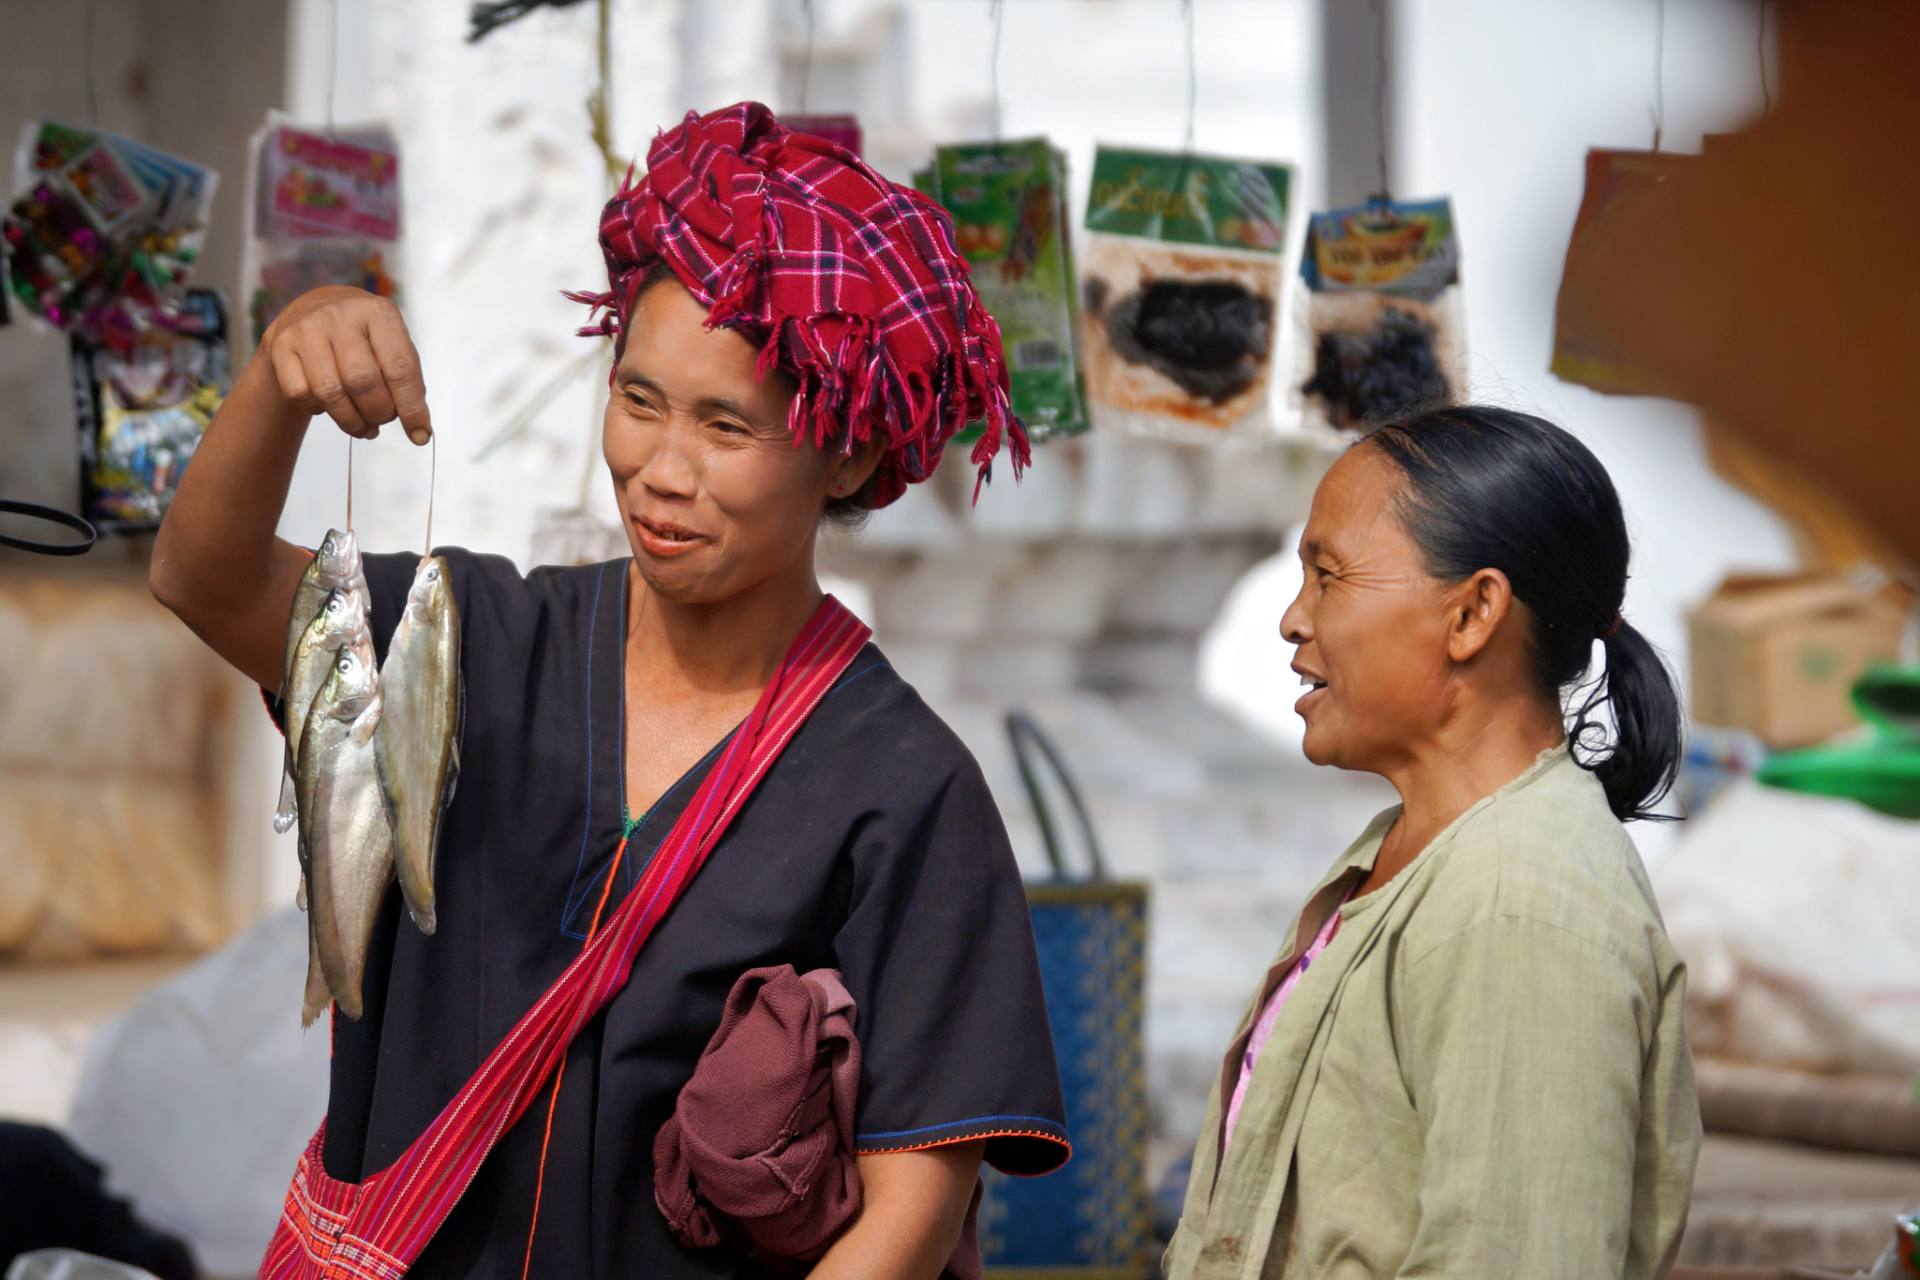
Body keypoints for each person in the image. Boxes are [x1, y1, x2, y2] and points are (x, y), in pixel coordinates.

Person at [150, 102, 1067, 1278]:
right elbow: (200, 576)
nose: (660, 469)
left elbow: (911, 1205)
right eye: (638, 401)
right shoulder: (469, 640)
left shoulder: (904, 788)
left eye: (726, 424)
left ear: (846, 451)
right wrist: (283, 370)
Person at [1164, 406, 1701, 1279]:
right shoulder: (1414, 853)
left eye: (1328, 576)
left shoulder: (1520, 899)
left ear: (1473, 613)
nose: (1294, 622)